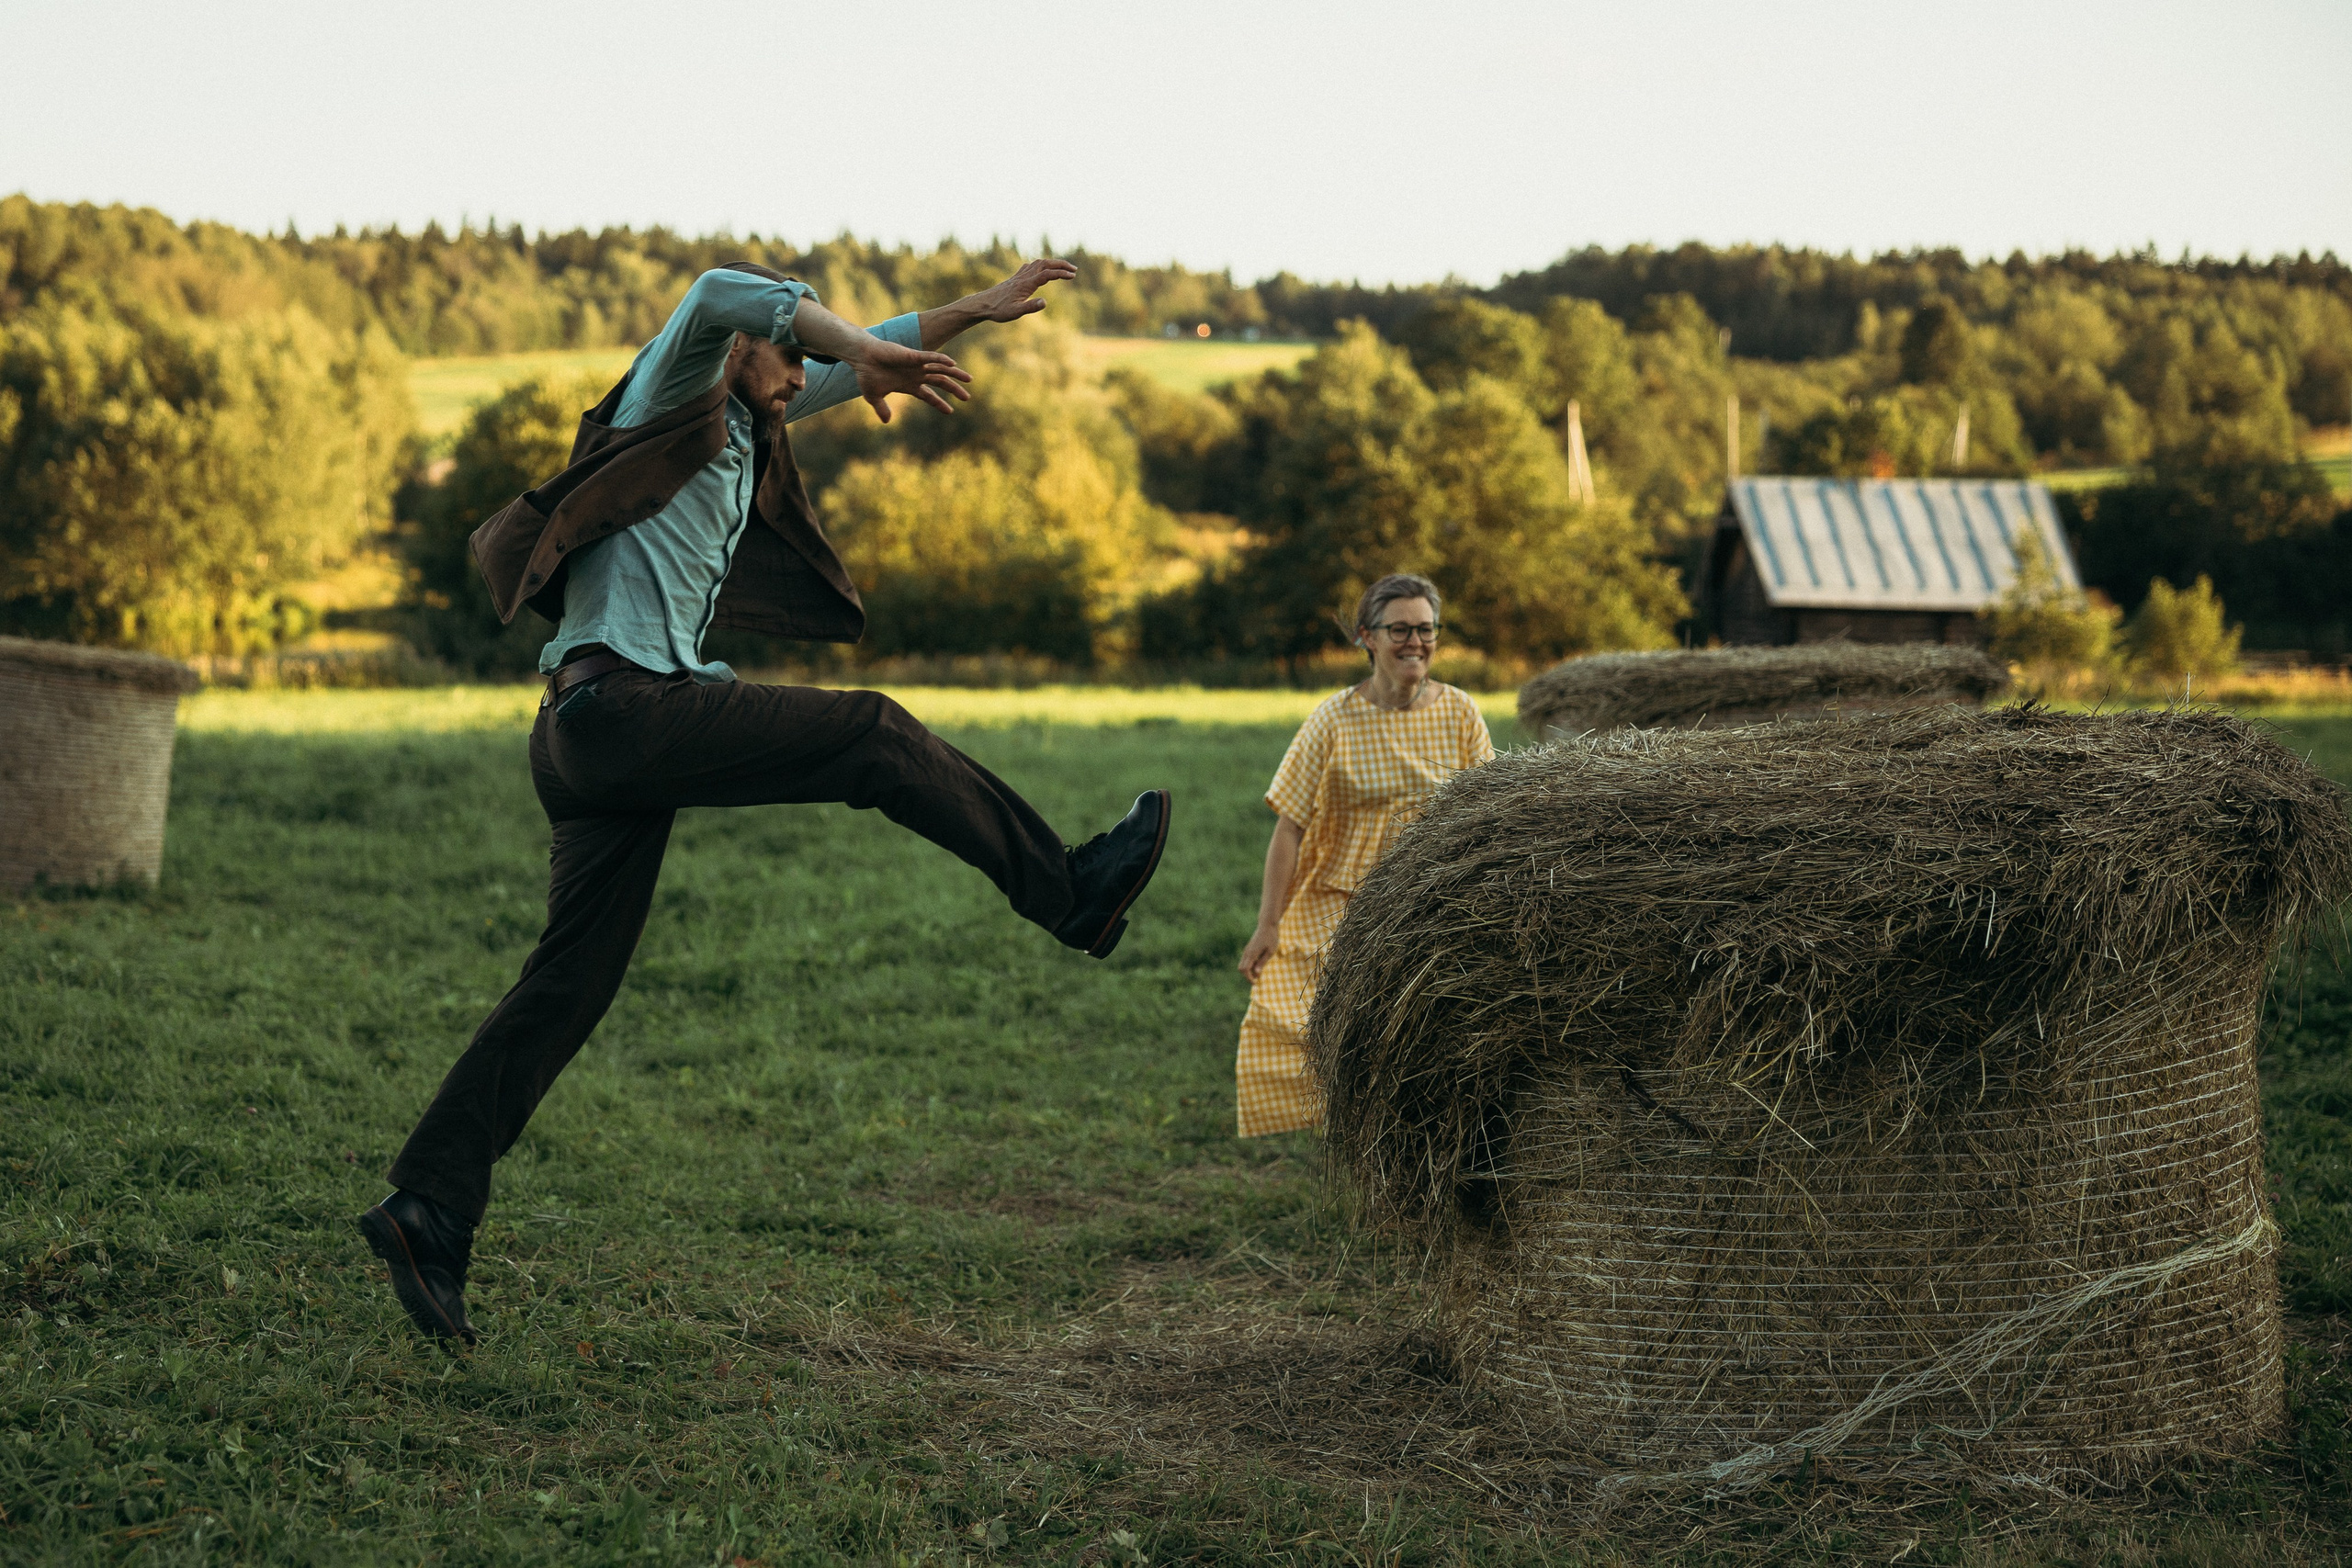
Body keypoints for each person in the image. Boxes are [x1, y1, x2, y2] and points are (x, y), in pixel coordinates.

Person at [360, 260, 1171, 1344]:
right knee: (872, 734)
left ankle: (429, 1207)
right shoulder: (673, 388)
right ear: (745, 352)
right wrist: (853, 341)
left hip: (584, 735)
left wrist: (959, 315)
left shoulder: (748, 420)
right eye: (795, 353)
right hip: (621, 713)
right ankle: (1072, 893)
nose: (807, 377)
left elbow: (834, 352)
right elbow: (716, 290)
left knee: (568, 987)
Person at [1234, 573, 1493, 1137]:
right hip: (1342, 898)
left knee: (1428, 1034)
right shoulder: (1332, 720)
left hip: (1432, 900)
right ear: (1367, 638)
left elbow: (1487, 819)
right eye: (1399, 628)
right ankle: (1355, 1139)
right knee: (1296, 1021)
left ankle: (1421, 1137)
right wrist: (1268, 924)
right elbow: (1289, 828)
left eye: (1425, 629)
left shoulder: (1460, 713)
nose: (1415, 642)